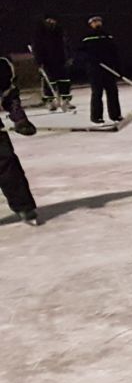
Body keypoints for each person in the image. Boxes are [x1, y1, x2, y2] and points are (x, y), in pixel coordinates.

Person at [0, 54, 39, 225]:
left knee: (7, 162)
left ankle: (24, 206)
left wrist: (20, 119)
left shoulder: (2, 65)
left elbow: (9, 95)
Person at [78, 15, 124, 124]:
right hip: (95, 70)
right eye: (94, 22)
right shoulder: (86, 37)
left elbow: (114, 52)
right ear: (90, 24)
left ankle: (115, 115)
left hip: (109, 69)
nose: (97, 23)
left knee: (112, 92)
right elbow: (80, 53)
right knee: (97, 93)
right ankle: (96, 117)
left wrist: (118, 69)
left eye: (98, 21)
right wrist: (91, 59)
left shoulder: (107, 36)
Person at [32, 15, 74, 111]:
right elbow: (37, 48)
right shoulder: (40, 33)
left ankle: (65, 100)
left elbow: (67, 45)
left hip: (61, 60)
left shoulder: (60, 32)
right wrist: (39, 61)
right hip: (47, 61)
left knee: (64, 81)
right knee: (49, 81)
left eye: (53, 20)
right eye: (49, 20)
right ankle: (50, 101)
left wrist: (69, 56)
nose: (51, 22)